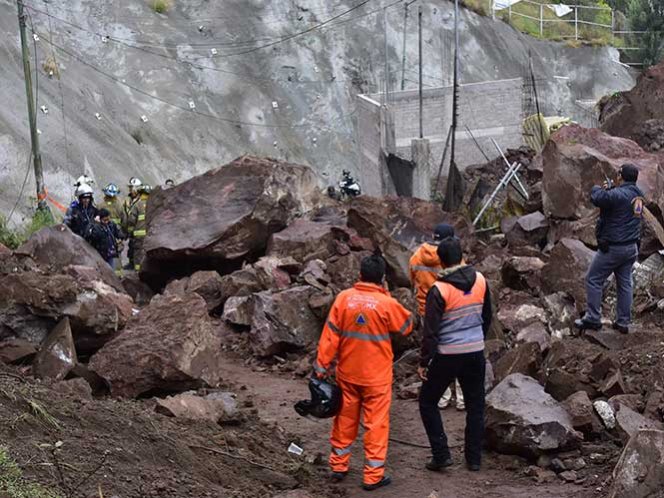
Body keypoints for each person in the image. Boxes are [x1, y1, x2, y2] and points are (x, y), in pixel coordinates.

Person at [314, 254, 413, 491]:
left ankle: (338, 466)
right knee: (376, 425)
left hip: (347, 374)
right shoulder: (386, 303)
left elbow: (330, 337)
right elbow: (407, 326)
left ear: (359, 275)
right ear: (382, 279)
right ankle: (372, 476)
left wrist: (321, 367)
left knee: (344, 420)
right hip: (376, 379)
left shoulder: (344, 299)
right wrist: (385, 295)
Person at [418, 236, 492, 473]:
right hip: (475, 351)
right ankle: (474, 459)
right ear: (462, 256)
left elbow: (430, 331)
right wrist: (476, 338)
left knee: (428, 401)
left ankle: (441, 454)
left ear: (440, 262)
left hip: (448, 353)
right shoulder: (480, 280)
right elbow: (487, 315)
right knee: (475, 404)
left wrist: (424, 360)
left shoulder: (439, 289)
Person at [575, 164, 644, 334]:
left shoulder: (617, 194)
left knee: (593, 279)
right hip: (631, 247)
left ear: (622, 176)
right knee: (625, 283)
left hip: (614, 248)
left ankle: (593, 318)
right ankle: (623, 322)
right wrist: (611, 189)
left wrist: (598, 187)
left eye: (618, 173)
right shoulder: (639, 195)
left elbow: (598, 198)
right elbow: (619, 202)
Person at [409, 223, 465, 411]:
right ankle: (461, 398)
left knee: (433, 350)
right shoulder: (455, 258)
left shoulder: (417, 255)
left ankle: (442, 397)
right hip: (451, 310)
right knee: (457, 349)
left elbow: (412, 280)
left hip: (427, 310)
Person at [126, 184, 151, 272]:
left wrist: (130, 233)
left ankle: (138, 273)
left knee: (138, 254)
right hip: (150, 235)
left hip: (139, 236)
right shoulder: (153, 204)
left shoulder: (137, 205)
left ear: (140, 193)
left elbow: (131, 220)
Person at [123, 177, 143, 269]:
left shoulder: (140, 202)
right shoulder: (130, 201)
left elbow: (133, 219)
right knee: (131, 249)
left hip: (138, 231)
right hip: (132, 232)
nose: (130, 190)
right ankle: (131, 264)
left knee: (137, 251)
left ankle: (137, 269)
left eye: (131, 188)